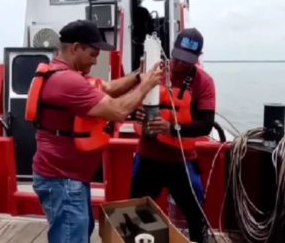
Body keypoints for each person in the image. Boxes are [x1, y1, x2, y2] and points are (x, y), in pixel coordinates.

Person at [30, 19, 163, 243]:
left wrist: (139, 76)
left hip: (68, 178)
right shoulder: (68, 82)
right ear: (75, 48)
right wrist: (147, 85)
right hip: (62, 180)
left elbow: (109, 88)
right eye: (92, 53)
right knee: (72, 237)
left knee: (80, 231)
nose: (96, 60)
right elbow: (118, 110)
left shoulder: (66, 75)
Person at [131, 28, 215, 243]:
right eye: (177, 58)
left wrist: (171, 128)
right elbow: (129, 104)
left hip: (182, 162)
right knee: (137, 211)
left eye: (187, 60)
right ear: (171, 51)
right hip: (148, 157)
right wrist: (137, 113)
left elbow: (205, 125)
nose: (180, 64)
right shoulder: (153, 71)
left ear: (197, 58)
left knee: (196, 215)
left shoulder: (203, 82)